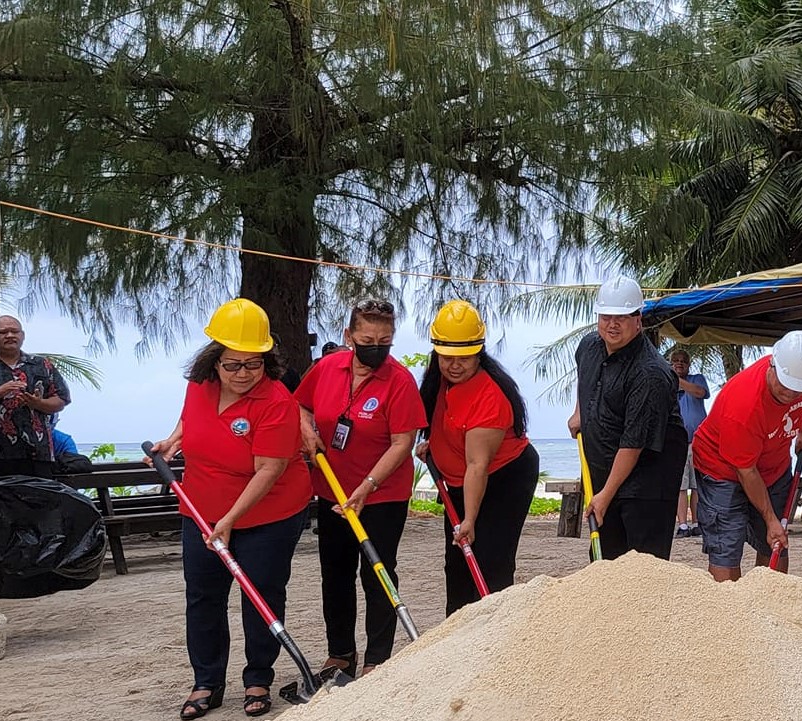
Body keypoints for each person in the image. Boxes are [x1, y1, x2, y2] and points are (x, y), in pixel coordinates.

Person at [146, 299, 313, 721]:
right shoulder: (198, 386)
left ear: (267, 361)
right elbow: (191, 421)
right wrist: (173, 441)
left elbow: (269, 470)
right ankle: (206, 681)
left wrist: (230, 521)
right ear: (214, 361)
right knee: (203, 595)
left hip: (268, 511)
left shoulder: (277, 402)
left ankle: (258, 678)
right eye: (232, 365)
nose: (242, 374)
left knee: (262, 594)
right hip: (202, 509)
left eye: (253, 365)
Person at [294, 298, 426, 677]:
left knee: (377, 570)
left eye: (385, 340)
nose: (376, 347)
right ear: (349, 335)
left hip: (381, 495)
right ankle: (340, 654)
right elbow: (300, 405)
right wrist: (306, 430)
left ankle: (377, 658)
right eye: (367, 338)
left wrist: (368, 486)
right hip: (333, 490)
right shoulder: (327, 367)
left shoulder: (398, 381)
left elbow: (402, 443)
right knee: (335, 572)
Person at [421, 299, 541, 612]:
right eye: (446, 356)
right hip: (464, 479)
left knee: (490, 559)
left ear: (479, 351)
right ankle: (456, 633)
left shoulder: (489, 397)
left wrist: (470, 520)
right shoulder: (439, 380)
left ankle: (496, 631)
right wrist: (432, 445)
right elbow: (445, 425)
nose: (454, 364)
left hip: (504, 478)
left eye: (464, 356)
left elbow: (478, 465)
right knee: (457, 563)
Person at [568, 274, 689, 560]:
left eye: (622, 317)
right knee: (605, 561)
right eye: (606, 316)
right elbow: (585, 378)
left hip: (647, 482)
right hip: (605, 471)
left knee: (641, 565)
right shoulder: (589, 345)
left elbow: (632, 443)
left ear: (639, 319)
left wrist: (605, 495)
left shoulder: (651, 373)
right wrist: (579, 412)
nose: (612, 324)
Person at [690, 332, 802, 581]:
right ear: (773, 365)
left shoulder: (800, 377)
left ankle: (770, 609)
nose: (791, 394)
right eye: (785, 385)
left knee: (775, 542)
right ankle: (731, 614)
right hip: (723, 470)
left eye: (798, 389)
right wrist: (770, 519)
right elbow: (746, 471)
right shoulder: (744, 404)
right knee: (726, 545)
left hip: (774, 466)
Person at [0, 315, 71, 478]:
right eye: (3, 332)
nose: (9, 335)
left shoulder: (42, 365)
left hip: (36, 454)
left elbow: (61, 400)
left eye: (14, 331)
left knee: (38, 502)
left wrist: (38, 403)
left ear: (22, 336)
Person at [671, 348, 710, 537]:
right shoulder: (666, 383)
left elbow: (700, 392)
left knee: (697, 485)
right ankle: (683, 525)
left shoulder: (697, 379)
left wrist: (678, 382)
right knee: (680, 486)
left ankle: (696, 522)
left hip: (698, 443)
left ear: (688, 364)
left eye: (683, 361)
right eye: (676, 360)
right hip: (677, 443)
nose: (679, 363)